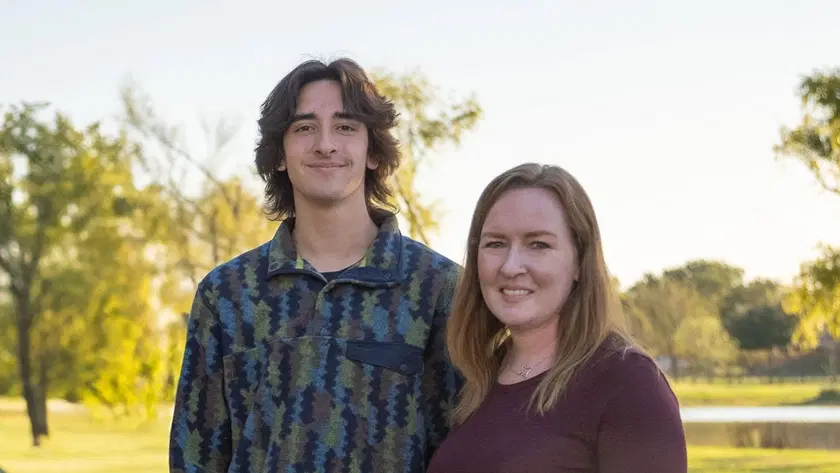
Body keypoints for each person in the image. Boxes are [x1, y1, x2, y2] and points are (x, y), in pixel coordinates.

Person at [169, 58, 462, 473]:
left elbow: (464, 449)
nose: (325, 144)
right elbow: (195, 458)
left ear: (373, 152)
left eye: (346, 127)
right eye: (305, 128)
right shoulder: (227, 295)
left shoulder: (439, 288)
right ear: (280, 155)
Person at [426, 163, 687, 473]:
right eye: (495, 243)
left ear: (580, 262)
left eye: (538, 244)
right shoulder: (479, 379)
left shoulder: (627, 384)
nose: (511, 266)